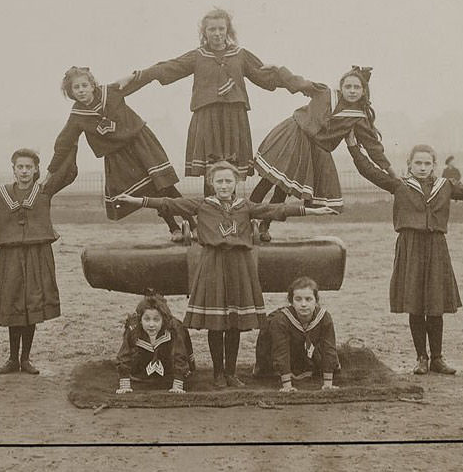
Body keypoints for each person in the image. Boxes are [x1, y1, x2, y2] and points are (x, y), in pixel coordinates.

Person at [116, 161, 335, 388]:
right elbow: (169, 203)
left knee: (234, 323)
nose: (223, 185)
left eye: (228, 181)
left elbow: (276, 209)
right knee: (216, 322)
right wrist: (136, 200)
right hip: (213, 265)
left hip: (239, 266)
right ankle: (218, 374)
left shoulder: (245, 206)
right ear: (212, 183)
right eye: (219, 181)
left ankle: (231, 373)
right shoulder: (203, 204)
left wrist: (312, 210)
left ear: (236, 183)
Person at [348, 140, 463, 375]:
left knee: (435, 305)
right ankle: (421, 358)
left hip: (436, 247)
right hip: (410, 246)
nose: (422, 167)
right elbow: (369, 171)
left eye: (427, 163)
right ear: (409, 165)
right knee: (415, 303)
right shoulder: (399, 185)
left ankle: (437, 358)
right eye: (418, 163)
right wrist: (354, 146)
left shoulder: (445, 185)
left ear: (434, 165)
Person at [118, 8, 320, 189]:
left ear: (228, 30)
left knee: (230, 170)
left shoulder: (240, 54)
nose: (217, 33)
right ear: (204, 32)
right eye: (211, 29)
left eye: (221, 29)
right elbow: (165, 68)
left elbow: (266, 77)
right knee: (211, 169)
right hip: (207, 118)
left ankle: (232, 218)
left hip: (234, 117)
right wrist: (135, 76)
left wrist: (305, 86)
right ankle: (211, 218)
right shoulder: (197, 56)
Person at [250, 65, 396, 240]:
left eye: (357, 87)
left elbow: (373, 148)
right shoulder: (325, 93)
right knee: (269, 180)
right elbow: (300, 84)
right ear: (341, 87)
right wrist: (279, 70)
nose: (351, 91)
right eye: (348, 86)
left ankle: (264, 225)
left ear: (364, 91)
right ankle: (245, 218)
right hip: (293, 135)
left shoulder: (358, 118)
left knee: (284, 188)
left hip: (311, 150)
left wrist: (392, 172)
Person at [48, 66, 190, 242]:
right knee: (151, 192)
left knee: (164, 185)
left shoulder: (111, 92)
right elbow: (63, 143)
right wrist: (51, 171)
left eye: (84, 85)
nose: (81, 90)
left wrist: (134, 75)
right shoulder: (78, 115)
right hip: (118, 157)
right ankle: (173, 228)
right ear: (70, 92)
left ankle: (192, 221)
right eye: (76, 88)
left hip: (140, 144)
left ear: (93, 85)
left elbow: (141, 80)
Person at [0, 148, 78, 375]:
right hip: (11, 256)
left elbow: (68, 173)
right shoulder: (2, 194)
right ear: (13, 169)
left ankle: (26, 359)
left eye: (29, 167)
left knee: (31, 304)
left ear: (36, 170)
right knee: (14, 302)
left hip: (37, 254)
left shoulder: (44, 191)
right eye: (20, 167)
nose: (24, 171)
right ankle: (12, 359)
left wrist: (72, 142)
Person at [254, 276, 339, 391]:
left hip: (301, 349)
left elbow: (329, 348)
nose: (303, 304)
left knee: (323, 363)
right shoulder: (280, 320)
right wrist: (287, 386)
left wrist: (328, 383)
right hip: (274, 353)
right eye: (298, 299)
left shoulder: (324, 317)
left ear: (316, 300)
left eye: (308, 299)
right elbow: (280, 351)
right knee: (269, 374)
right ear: (291, 301)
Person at [114, 291, 192, 394]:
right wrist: (124, 383)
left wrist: (178, 383)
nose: (151, 324)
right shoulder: (133, 330)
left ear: (163, 320)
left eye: (156, 320)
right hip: (141, 370)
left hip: (168, 368)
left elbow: (180, 355)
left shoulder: (174, 330)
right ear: (140, 320)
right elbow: (124, 354)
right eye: (147, 319)